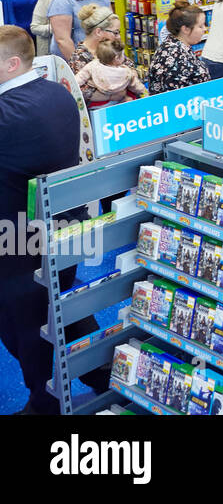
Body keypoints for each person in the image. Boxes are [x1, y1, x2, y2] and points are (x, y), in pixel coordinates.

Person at [0, 26, 112, 413]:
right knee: (63, 308)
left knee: (23, 326)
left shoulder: (7, 114)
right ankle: (101, 373)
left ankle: (44, 401)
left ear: (12, 64)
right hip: (68, 230)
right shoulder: (55, 93)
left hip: (20, 242)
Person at [146, 1, 211, 94]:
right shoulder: (174, 57)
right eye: (200, 26)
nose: (205, 29)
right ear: (185, 29)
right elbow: (177, 98)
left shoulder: (174, 45)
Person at [75, 35, 146, 106]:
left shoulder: (93, 65)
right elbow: (136, 85)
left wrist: (74, 84)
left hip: (100, 101)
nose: (124, 57)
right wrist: (144, 92)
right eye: (123, 55)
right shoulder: (126, 72)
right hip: (119, 97)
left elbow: (81, 77)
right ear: (116, 58)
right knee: (129, 98)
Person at [71, 5, 126, 76]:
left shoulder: (111, 48)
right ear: (98, 32)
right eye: (115, 33)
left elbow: (131, 69)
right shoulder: (80, 59)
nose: (118, 37)